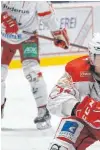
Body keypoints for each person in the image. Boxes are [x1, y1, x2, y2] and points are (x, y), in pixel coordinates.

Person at [1, 1, 70, 129]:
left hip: (28, 38)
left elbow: (48, 17)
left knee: (33, 73)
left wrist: (57, 34)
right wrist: (3, 17)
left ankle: (43, 110)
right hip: (3, 37)